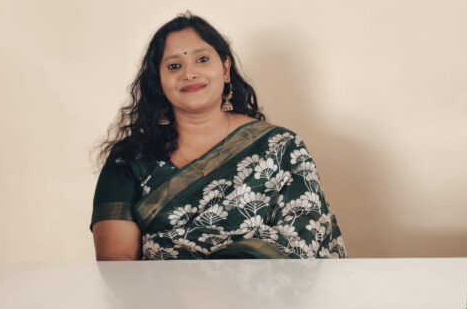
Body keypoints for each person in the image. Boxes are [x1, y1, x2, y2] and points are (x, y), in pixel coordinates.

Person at [91, 13, 346, 260]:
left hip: (259, 290)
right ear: (159, 81)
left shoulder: (281, 147)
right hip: (161, 290)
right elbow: (117, 261)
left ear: (225, 69)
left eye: (202, 59)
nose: (189, 73)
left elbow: (305, 242)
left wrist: (225, 280)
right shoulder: (130, 159)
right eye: (174, 66)